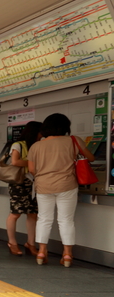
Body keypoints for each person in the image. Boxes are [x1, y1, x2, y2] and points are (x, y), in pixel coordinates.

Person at [28, 113, 93, 267]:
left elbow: (32, 169)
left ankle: (42, 252)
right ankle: (68, 254)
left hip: (43, 186)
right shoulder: (74, 140)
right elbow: (90, 158)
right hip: (67, 185)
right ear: (65, 127)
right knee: (66, 220)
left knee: (44, 219)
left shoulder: (36, 145)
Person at [5, 121, 42, 256]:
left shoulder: (37, 145)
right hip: (19, 182)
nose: (42, 135)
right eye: (40, 132)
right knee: (15, 213)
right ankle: (12, 242)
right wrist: (33, 162)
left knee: (33, 214)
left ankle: (30, 243)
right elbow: (15, 161)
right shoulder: (18, 145)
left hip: (34, 183)